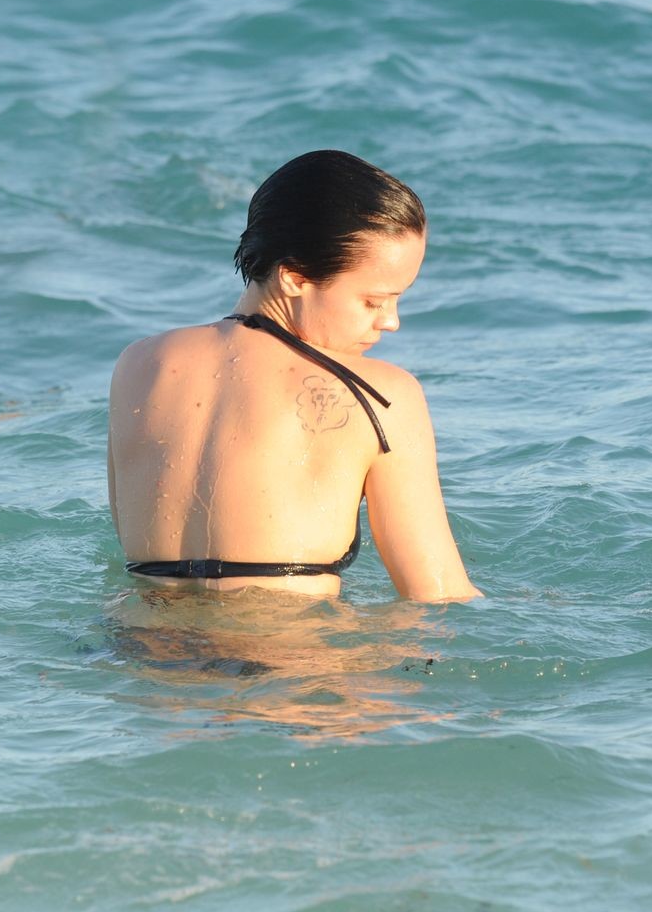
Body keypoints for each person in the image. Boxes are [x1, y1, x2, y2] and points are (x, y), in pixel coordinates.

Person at [107, 149, 483, 602]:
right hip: (287, 644)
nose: (391, 321)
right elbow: (438, 596)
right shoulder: (381, 394)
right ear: (294, 277)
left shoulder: (138, 363)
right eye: (373, 301)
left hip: (139, 639)